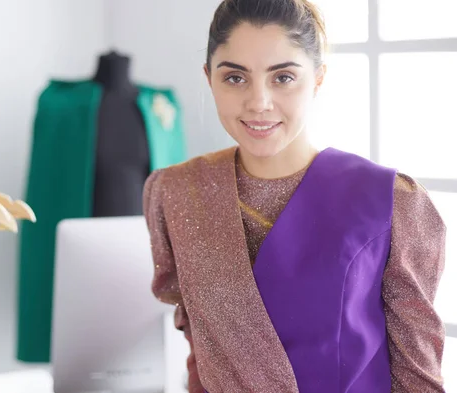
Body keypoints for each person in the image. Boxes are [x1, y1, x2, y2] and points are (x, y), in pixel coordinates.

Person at [142, 0, 447, 392]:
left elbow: (417, 378)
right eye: (235, 78)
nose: (259, 102)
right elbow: (201, 349)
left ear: (318, 78)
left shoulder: (391, 202)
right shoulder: (176, 193)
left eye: (282, 77)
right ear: (209, 78)